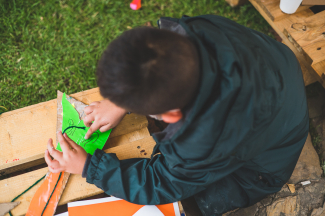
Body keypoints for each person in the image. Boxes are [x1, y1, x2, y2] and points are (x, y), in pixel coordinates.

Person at [44, 15, 309, 215]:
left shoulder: (202, 144)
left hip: (263, 167)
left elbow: (164, 183)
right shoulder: (195, 33)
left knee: (191, 203)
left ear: (171, 114)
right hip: (279, 75)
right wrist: (121, 101)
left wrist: (89, 167)